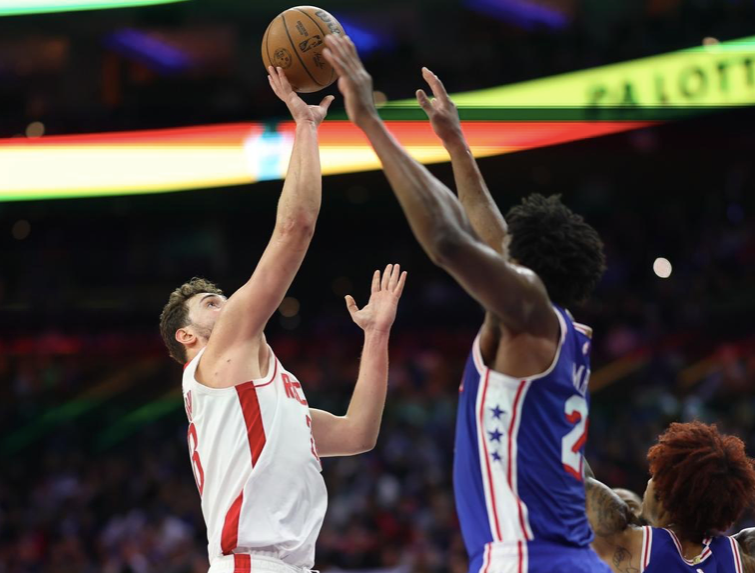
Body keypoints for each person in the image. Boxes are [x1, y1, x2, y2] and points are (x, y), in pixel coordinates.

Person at [323, 35, 608, 573]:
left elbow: (450, 242)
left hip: (527, 559)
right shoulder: (560, 328)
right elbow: (494, 241)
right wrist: (456, 146)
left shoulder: (529, 312)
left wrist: (370, 122)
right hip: (564, 557)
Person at [158, 66, 407, 573]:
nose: (227, 305)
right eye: (211, 304)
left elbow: (358, 434)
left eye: (223, 298)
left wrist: (376, 335)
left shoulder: (270, 396)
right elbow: (295, 228)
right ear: (187, 336)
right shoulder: (217, 360)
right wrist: (306, 125)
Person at [586, 421, 755, 572]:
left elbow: (574, 475)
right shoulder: (745, 556)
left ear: (659, 492)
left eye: (654, 475)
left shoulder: (628, 543)